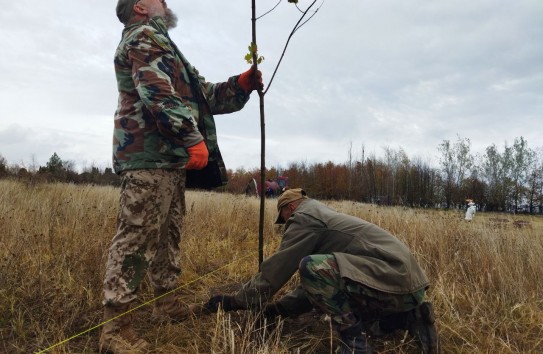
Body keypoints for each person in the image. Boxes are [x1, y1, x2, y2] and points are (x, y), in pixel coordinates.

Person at [100, 0, 263, 352]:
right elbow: (156, 93)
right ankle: (115, 330)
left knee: (167, 236)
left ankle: (165, 305)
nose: (166, 2)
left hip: (169, 160)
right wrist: (193, 138)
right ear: (141, 6)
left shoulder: (164, 44)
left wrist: (241, 84)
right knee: (137, 237)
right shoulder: (144, 37)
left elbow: (203, 97)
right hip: (149, 156)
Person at [205, 188, 439, 354]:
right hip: (406, 285)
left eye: (283, 216)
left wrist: (237, 301)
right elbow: (321, 284)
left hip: (390, 277)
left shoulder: (304, 217)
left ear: (291, 207)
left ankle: (355, 344)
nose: (285, 222)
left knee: (310, 266)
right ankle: (409, 315)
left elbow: (278, 270)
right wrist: (279, 309)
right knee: (321, 274)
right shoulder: (322, 214)